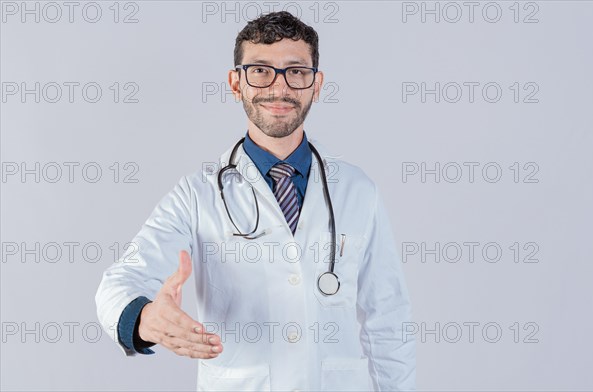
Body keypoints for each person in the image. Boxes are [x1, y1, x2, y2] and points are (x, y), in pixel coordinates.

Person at [96, 11, 416, 391]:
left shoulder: (358, 190)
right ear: (236, 83)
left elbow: (389, 320)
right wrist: (146, 318)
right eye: (260, 70)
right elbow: (118, 282)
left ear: (317, 84)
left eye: (296, 71)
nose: (279, 87)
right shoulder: (196, 196)